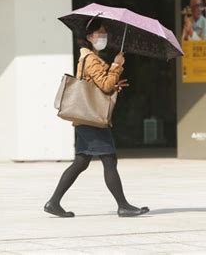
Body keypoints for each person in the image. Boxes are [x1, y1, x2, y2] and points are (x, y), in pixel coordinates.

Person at [44, 16, 150, 218]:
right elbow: (105, 85)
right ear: (89, 36)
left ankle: (54, 202)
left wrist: (114, 82)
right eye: (100, 33)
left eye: (104, 33)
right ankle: (123, 205)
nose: (104, 36)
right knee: (109, 160)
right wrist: (117, 65)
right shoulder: (91, 59)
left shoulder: (89, 57)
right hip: (92, 121)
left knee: (81, 162)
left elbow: (98, 86)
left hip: (84, 118)